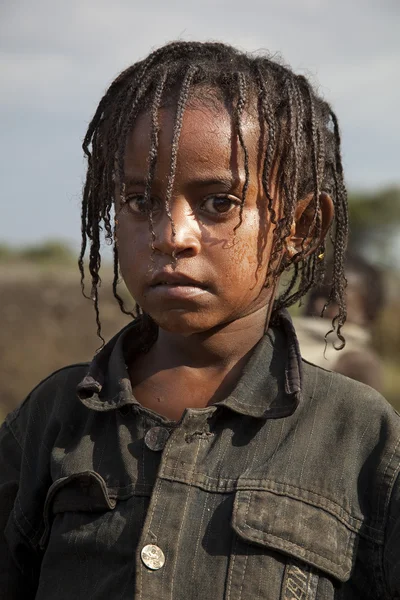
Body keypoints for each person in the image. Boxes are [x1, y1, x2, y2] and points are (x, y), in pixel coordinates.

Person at [1, 41, 399, 599]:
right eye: (140, 201)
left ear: (302, 228)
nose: (170, 235)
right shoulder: (54, 419)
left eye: (218, 203)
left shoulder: (362, 439)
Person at [293, 254, 385, 392]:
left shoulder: (357, 364)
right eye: (316, 295)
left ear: (366, 315)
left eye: (334, 301)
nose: (318, 305)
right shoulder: (279, 337)